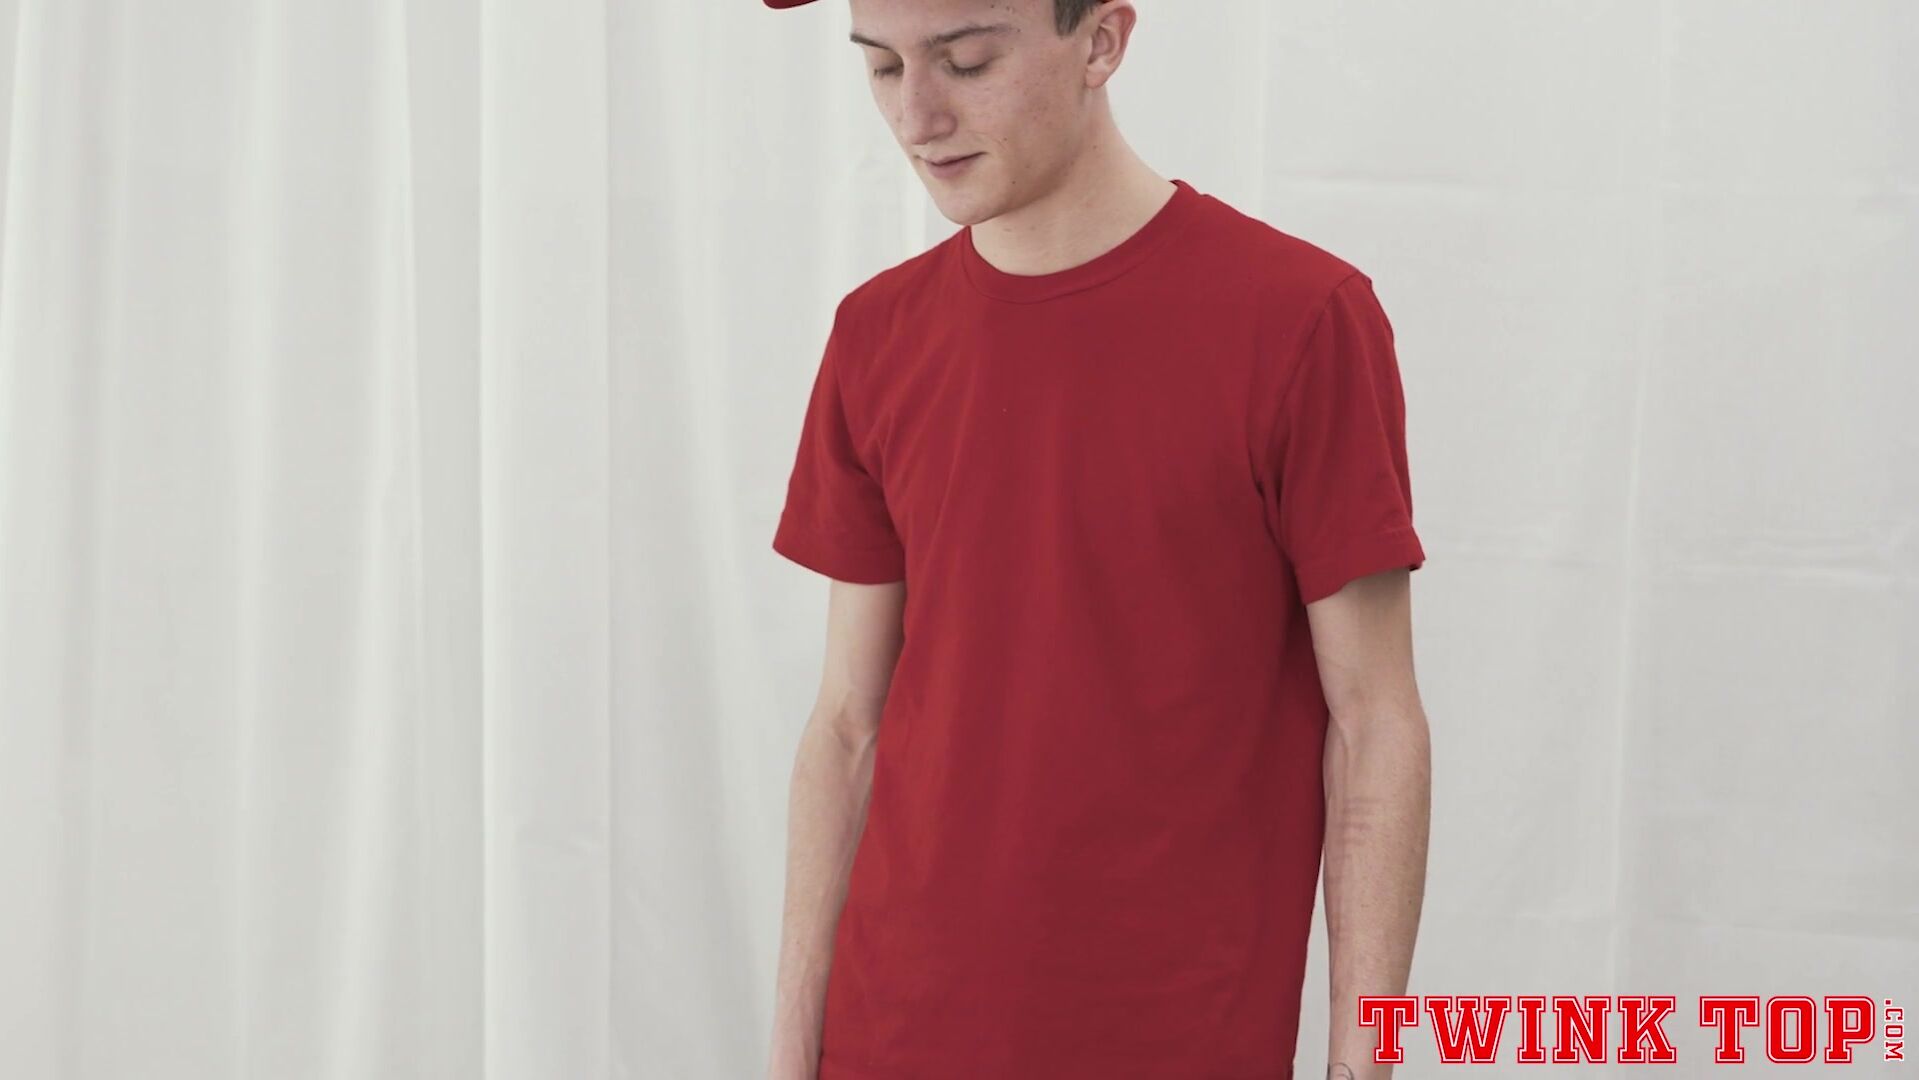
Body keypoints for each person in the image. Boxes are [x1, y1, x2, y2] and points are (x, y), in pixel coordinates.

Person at [764, 2, 1431, 1077]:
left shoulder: (1300, 319)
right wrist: (790, 1053)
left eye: (964, 61)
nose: (916, 116)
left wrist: (1366, 1064)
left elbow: (1373, 725)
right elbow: (847, 724)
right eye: (882, 68)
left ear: (1103, 42)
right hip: (891, 1033)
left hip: (1174, 1037)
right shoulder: (875, 334)